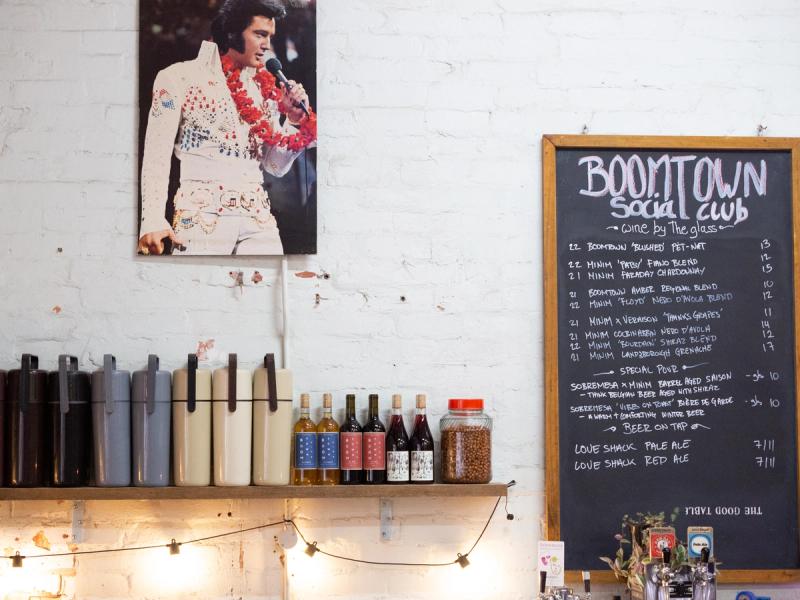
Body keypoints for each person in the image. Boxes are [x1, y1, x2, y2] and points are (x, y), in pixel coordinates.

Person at [138, 0, 316, 255]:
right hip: (201, 219)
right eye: (259, 34)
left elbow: (274, 166)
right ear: (232, 33)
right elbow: (157, 153)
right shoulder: (179, 78)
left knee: (266, 289)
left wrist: (295, 122)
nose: (267, 44)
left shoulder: (265, 91)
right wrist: (152, 219)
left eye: (270, 36)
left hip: (258, 220)